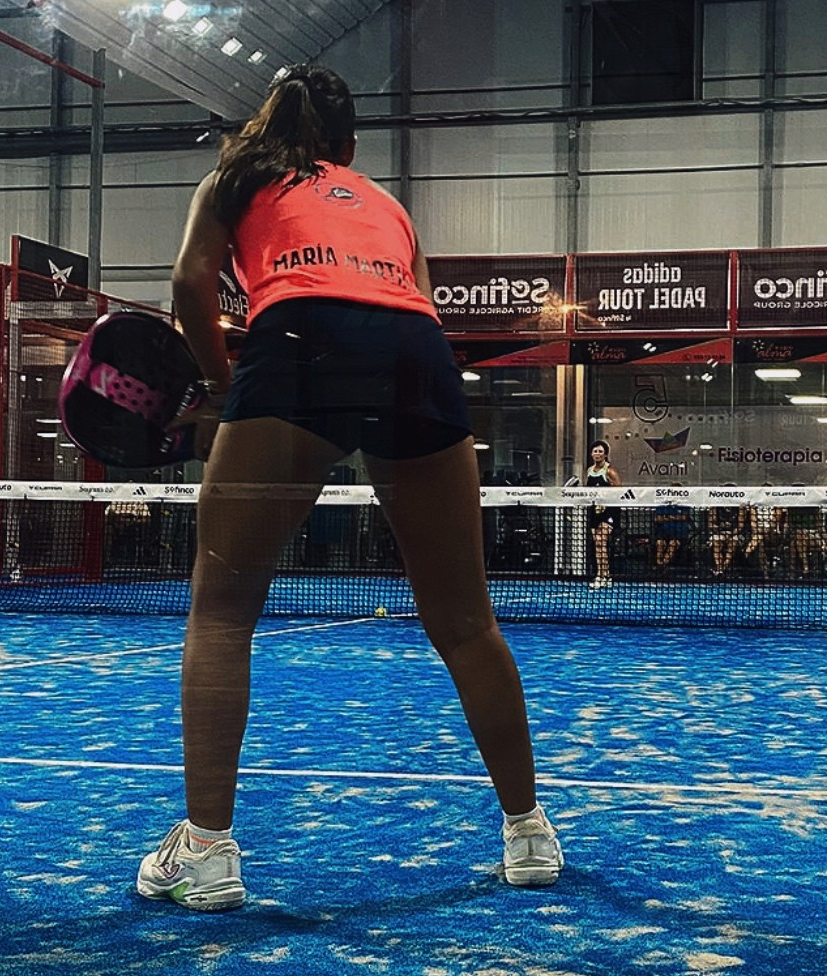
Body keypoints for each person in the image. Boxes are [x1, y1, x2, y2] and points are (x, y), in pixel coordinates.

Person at [136, 64, 562, 911]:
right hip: (416, 351)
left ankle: (208, 850)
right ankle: (529, 833)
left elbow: (189, 283)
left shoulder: (233, 179)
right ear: (350, 146)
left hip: (300, 339)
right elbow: (417, 303)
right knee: (467, 620)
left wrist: (222, 386)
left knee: (223, 609)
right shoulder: (388, 205)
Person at [584, 440, 621, 589]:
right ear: (591, 454)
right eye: (595, 451)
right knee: (597, 544)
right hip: (595, 512)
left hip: (609, 511)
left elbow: (619, 493)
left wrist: (605, 504)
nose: (597, 454)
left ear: (605, 454)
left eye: (600, 451)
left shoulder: (610, 471)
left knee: (601, 541)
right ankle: (604, 574)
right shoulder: (589, 471)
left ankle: (602, 576)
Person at [652, 486, 695, 572]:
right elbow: (657, 519)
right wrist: (675, 518)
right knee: (660, 543)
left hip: (679, 535)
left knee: (673, 543)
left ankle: (662, 565)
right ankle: (659, 563)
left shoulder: (684, 505)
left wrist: (667, 517)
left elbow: (684, 517)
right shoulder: (662, 505)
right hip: (662, 533)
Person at [706, 486, 747, 578]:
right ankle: (720, 569)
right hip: (718, 533)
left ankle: (722, 569)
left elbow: (740, 526)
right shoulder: (715, 506)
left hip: (735, 534)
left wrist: (731, 534)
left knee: (733, 543)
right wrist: (720, 528)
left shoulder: (740, 507)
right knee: (717, 543)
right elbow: (710, 525)